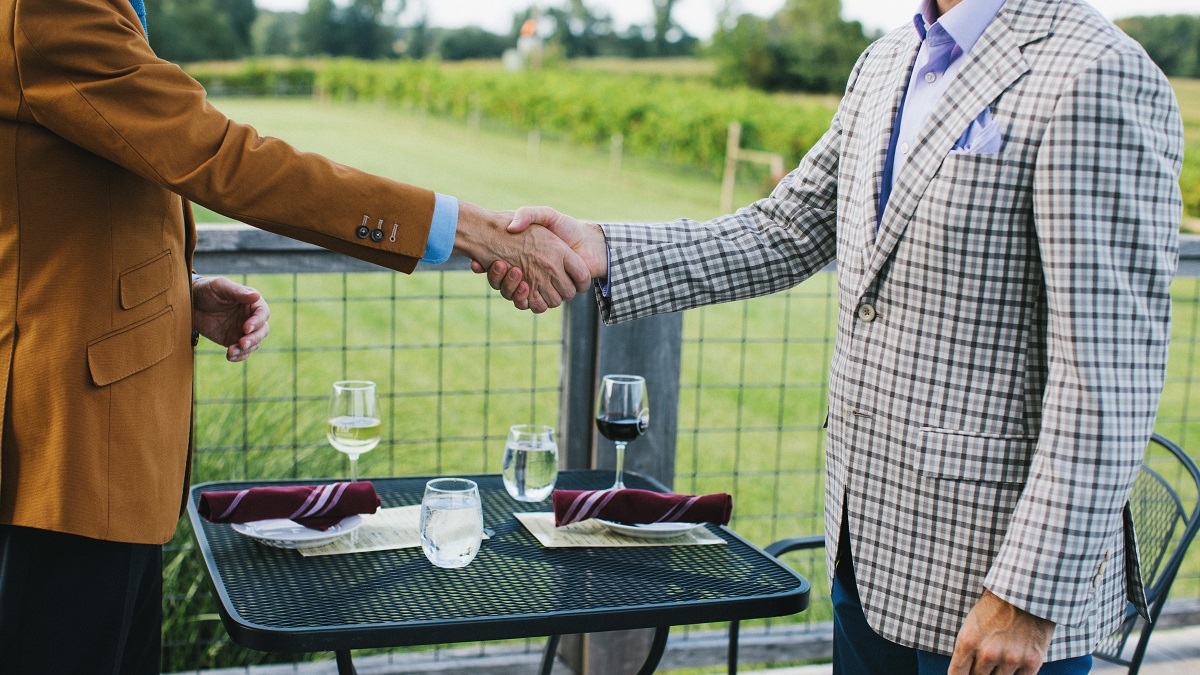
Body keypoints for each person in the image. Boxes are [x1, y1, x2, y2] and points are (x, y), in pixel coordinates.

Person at [483, 0, 1184, 673]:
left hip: (995, 596)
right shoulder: (885, 62)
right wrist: (601, 246)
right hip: (866, 552)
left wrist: (1027, 596)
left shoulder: (1096, 71)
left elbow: (1107, 382)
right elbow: (782, 231)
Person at [0, 0, 589, 672]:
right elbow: (225, 159)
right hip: (64, 456)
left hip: (105, 462)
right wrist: (471, 229)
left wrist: (175, 300)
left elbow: (47, 198)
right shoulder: (54, 8)